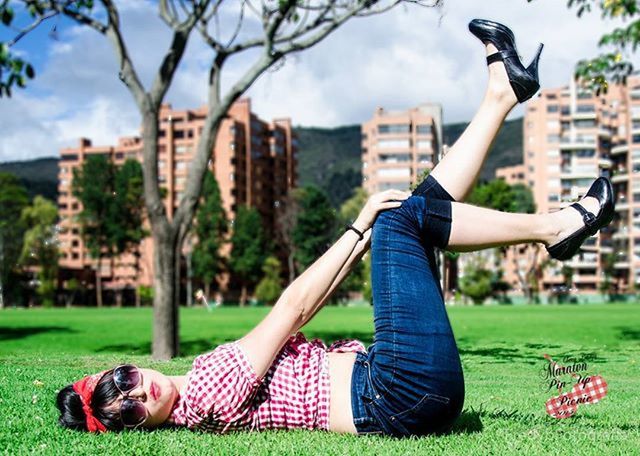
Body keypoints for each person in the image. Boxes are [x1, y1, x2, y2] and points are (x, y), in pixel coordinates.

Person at [55, 18, 615, 438]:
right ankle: (556, 225)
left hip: (400, 390)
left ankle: (502, 94)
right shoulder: (204, 390)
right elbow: (294, 307)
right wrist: (359, 226)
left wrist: (362, 233)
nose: (140, 391)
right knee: (397, 219)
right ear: (136, 427)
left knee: (411, 210)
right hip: (401, 392)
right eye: (128, 409)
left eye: (124, 379)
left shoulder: (196, 390)